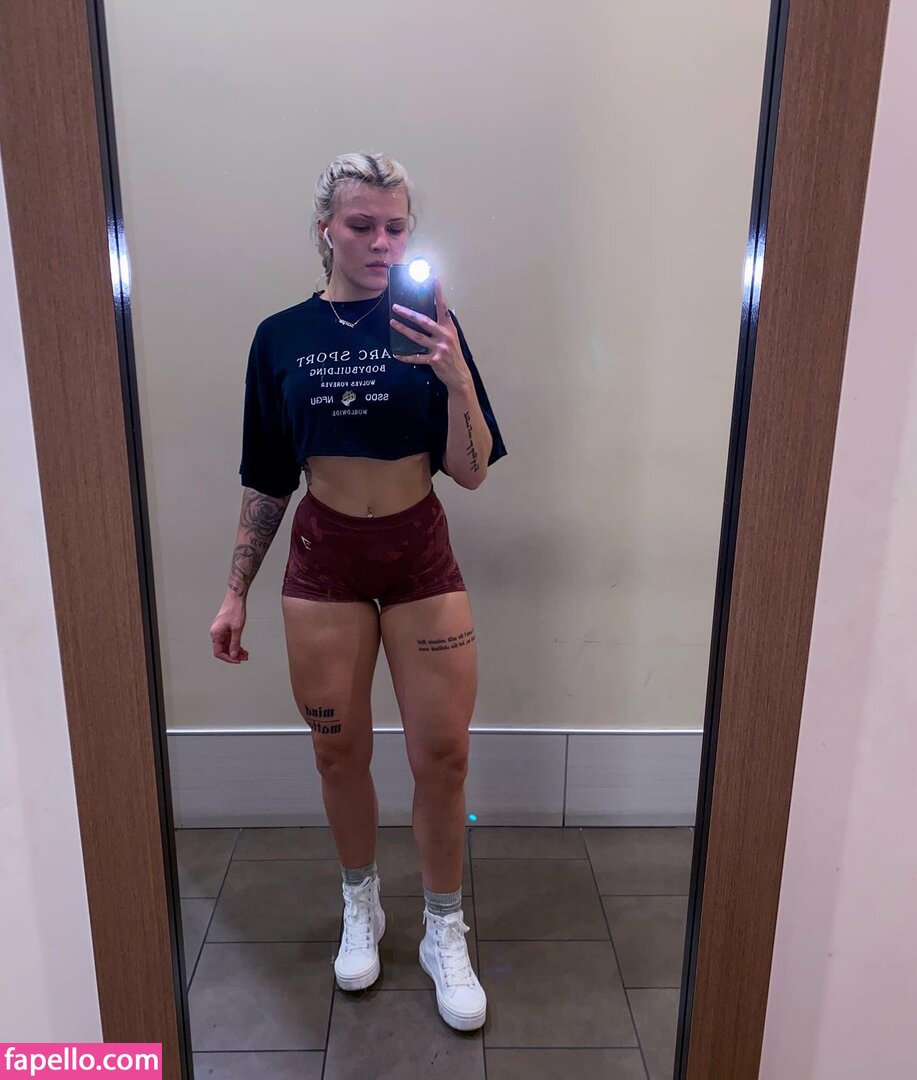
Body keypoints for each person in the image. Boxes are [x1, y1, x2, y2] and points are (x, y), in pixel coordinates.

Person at [208, 152, 507, 1032]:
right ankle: (361, 903)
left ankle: (444, 929)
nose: (382, 242)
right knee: (337, 753)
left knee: (442, 756)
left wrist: (455, 376)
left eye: (397, 227)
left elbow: (471, 471)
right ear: (325, 230)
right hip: (325, 560)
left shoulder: (431, 325)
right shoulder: (279, 337)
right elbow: (267, 476)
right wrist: (234, 591)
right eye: (362, 225)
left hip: (417, 554)